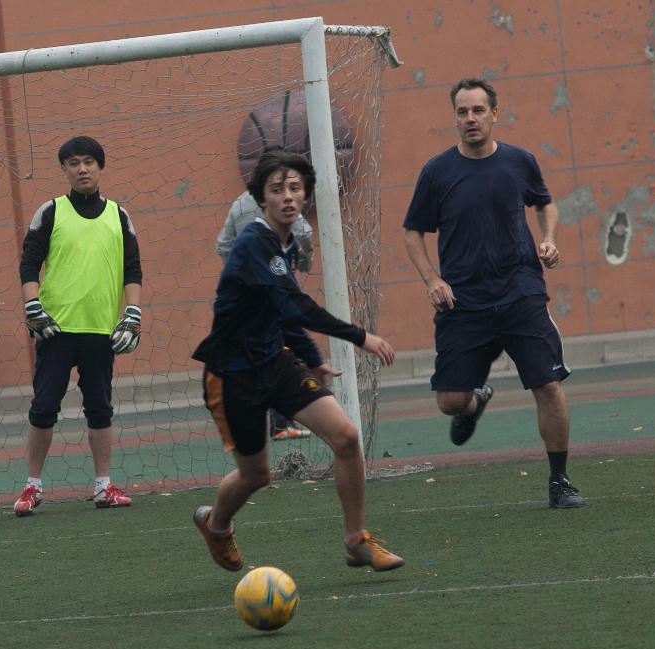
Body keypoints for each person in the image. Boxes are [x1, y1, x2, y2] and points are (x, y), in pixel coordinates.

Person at [192, 150, 404, 573]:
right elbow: (293, 306)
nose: (287, 196)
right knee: (257, 475)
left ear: (306, 196)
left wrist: (311, 360)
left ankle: (356, 541)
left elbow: (280, 313)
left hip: (276, 362)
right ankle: (216, 525)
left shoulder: (284, 244)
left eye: (295, 188)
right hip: (232, 375)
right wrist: (360, 336)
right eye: (277, 189)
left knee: (346, 437)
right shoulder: (254, 242)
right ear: (262, 198)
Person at [402, 77, 584, 509]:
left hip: (521, 292)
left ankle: (560, 481)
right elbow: (412, 232)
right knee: (450, 402)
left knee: (548, 385)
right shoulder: (437, 172)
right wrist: (432, 279)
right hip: (464, 302)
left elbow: (545, 202)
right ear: (455, 118)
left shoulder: (520, 161)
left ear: (495, 114)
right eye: (462, 112)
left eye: (478, 110)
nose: (470, 118)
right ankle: (475, 400)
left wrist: (549, 239)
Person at [14, 136, 142, 516]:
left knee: (100, 408)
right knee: (43, 407)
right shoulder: (51, 211)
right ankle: (32, 486)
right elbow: (28, 263)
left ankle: (103, 486)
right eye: (74, 163)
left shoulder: (119, 215)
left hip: (101, 331)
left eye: (89, 162)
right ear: (64, 170)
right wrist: (32, 305)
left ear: (100, 167)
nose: (82, 169)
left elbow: (132, 269)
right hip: (55, 329)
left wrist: (133, 313)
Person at [216, 154, 315, 441]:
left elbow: (222, 245)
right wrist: (306, 255)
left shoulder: (238, 204)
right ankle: (283, 422)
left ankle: (261, 421)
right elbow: (304, 233)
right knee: (287, 350)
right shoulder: (279, 202)